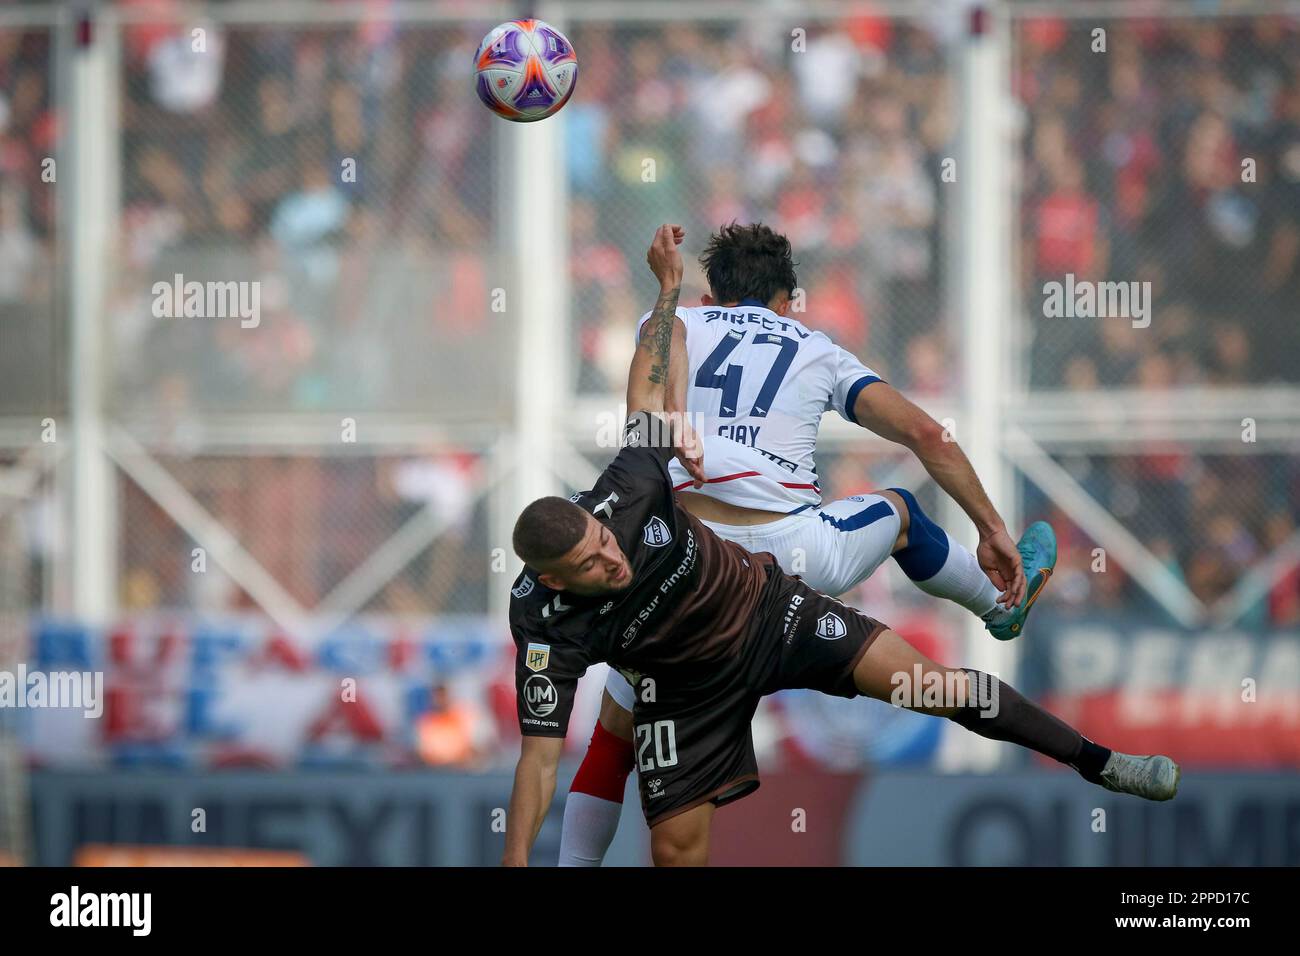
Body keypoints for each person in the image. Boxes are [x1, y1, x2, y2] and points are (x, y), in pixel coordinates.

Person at [501, 225, 1179, 867]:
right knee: (904, 520)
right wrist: (992, 530)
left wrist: (670, 321)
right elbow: (930, 436)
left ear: (710, 299)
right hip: (784, 555)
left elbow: (657, 367)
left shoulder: (674, 333)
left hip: (712, 567)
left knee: (611, 741)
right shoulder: (812, 345)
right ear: (790, 305)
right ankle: (996, 606)